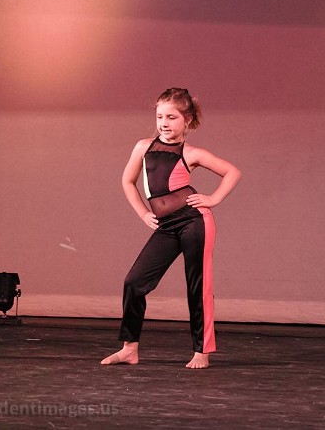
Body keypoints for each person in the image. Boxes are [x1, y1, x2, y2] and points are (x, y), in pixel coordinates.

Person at [101, 88, 240, 369]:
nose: (164, 123)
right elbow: (127, 181)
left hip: (194, 221)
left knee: (197, 286)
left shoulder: (191, 153)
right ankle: (129, 349)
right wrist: (143, 212)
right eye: (160, 117)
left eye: (171, 117)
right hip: (166, 226)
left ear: (187, 120)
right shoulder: (143, 147)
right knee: (134, 282)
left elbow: (232, 172)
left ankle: (201, 352)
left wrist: (213, 199)